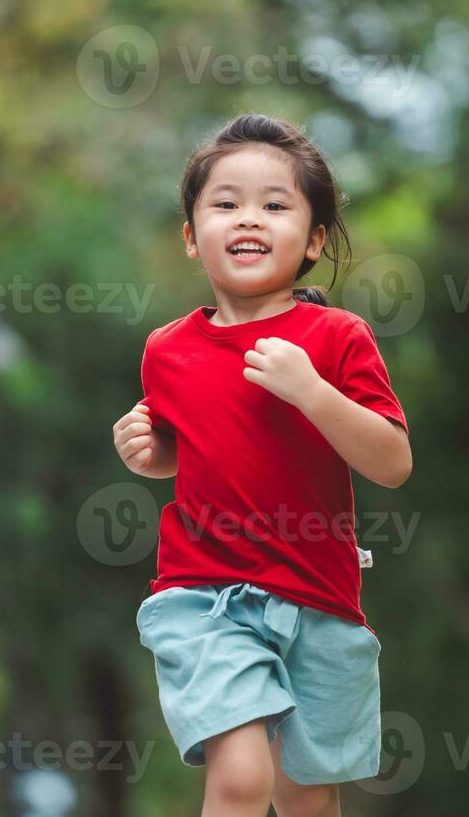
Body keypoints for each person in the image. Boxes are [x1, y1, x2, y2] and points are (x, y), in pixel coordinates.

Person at [111, 113, 412, 817]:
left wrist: (312, 390)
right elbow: (199, 455)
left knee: (307, 794)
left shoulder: (337, 337)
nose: (249, 219)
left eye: (275, 205)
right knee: (243, 776)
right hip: (206, 595)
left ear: (312, 241)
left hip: (320, 593)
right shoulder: (167, 349)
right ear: (192, 236)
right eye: (225, 204)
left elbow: (392, 462)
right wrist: (153, 455)